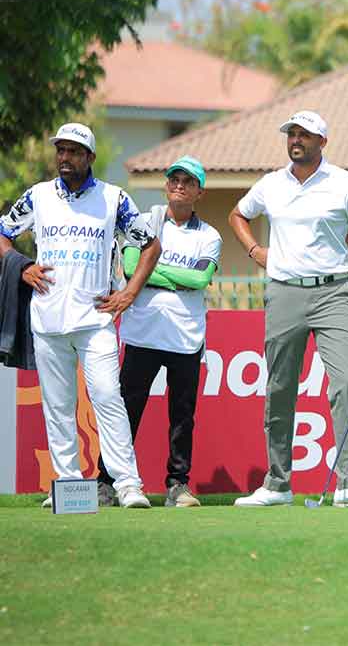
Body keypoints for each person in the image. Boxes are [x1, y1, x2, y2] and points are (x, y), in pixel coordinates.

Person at [228, 110, 348, 508]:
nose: (296, 140)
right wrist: (255, 251)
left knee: (345, 384)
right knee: (280, 389)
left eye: (305, 135)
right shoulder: (271, 184)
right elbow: (237, 214)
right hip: (283, 293)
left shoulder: (344, 183)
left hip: (333, 294)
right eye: (292, 134)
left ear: (323, 142)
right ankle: (277, 484)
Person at [0, 122, 160, 509]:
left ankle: (128, 485)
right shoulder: (38, 196)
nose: (65, 158)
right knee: (57, 406)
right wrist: (21, 266)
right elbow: (2, 233)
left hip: (96, 320)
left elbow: (151, 244)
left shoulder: (113, 198)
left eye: (74, 152)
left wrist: (129, 293)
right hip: (49, 319)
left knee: (107, 397)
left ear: (90, 157)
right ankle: (67, 485)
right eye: (61, 150)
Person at [96, 156, 221, 508]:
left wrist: (154, 272)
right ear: (166, 185)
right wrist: (167, 278)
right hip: (142, 332)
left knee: (181, 416)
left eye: (187, 181)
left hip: (186, 336)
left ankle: (177, 485)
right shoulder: (145, 219)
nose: (179, 185)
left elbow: (199, 280)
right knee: (126, 412)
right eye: (173, 179)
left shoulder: (209, 235)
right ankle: (107, 482)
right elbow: (133, 266)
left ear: (199, 192)